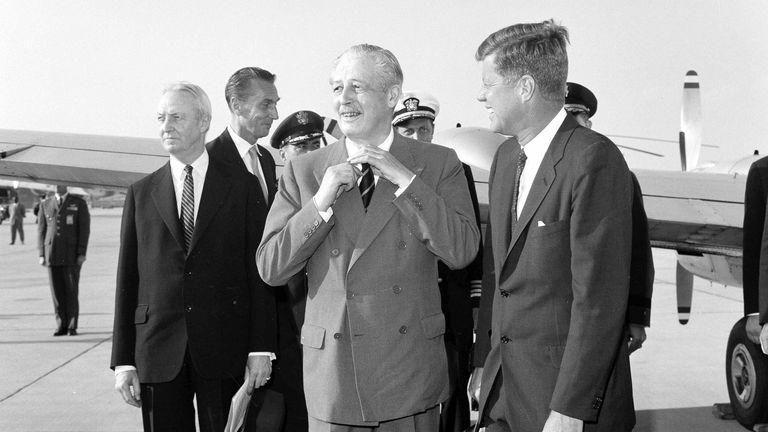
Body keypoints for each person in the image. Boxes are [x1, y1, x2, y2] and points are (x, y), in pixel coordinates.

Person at [256, 44, 480, 432]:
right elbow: (271, 268)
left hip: (409, 375)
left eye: (356, 87)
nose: (343, 99)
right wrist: (321, 204)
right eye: (337, 87)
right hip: (336, 381)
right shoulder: (305, 172)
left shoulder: (439, 163)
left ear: (391, 95)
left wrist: (406, 181)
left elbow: (461, 250)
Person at [471, 21, 635, 432]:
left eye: (489, 84)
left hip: (561, 405)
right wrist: (482, 367)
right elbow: (498, 277)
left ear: (524, 87)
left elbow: (598, 298)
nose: (481, 95)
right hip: (505, 394)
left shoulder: (592, 159)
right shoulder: (506, 159)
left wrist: (569, 409)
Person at [111, 82, 276, 432]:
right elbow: (128, 280)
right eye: (161, 118)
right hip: (157, 350)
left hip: (225, 347)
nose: (165, 126)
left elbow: (258, 271)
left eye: (176, 117)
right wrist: (123, 361)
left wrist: (261, 347)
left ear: (203, 122)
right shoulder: (141, 193)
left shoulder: (241, 187)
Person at [206, 67, 307, 432]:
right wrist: (256, 344)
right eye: (266, 104)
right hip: (236, 329)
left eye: (276, 104)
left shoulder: (266, 160)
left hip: (276, 316)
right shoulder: (208, 165)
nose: (275, 113)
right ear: (235, 103)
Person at [392, 90, 483, 432]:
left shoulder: (454, 169)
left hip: (450, 302)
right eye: (408, 130)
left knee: (454, 385)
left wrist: (475, 300)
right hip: (407, 305)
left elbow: (470, 236)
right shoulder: (385, 172)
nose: (418, 137)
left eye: (424, 129)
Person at [565, 82, 654, 353]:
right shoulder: (533, 176)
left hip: (603, 318)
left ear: (588, 124)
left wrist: (636, 316)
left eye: (574, 118)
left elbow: (637, 249)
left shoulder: (620, 177)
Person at [38, 184, 90, 336]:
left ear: (65, 184)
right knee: (56, 292)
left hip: (71, 254)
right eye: (52, 183)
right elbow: (41, 230)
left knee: (71, 291)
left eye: (58, 183)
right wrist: (41, 253)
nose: (55, 186)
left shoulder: (78, 203)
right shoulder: (45, 204)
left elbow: (84, 229)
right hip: (51, 254)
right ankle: (61, 324)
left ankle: (72, 325)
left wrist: (81, 252)